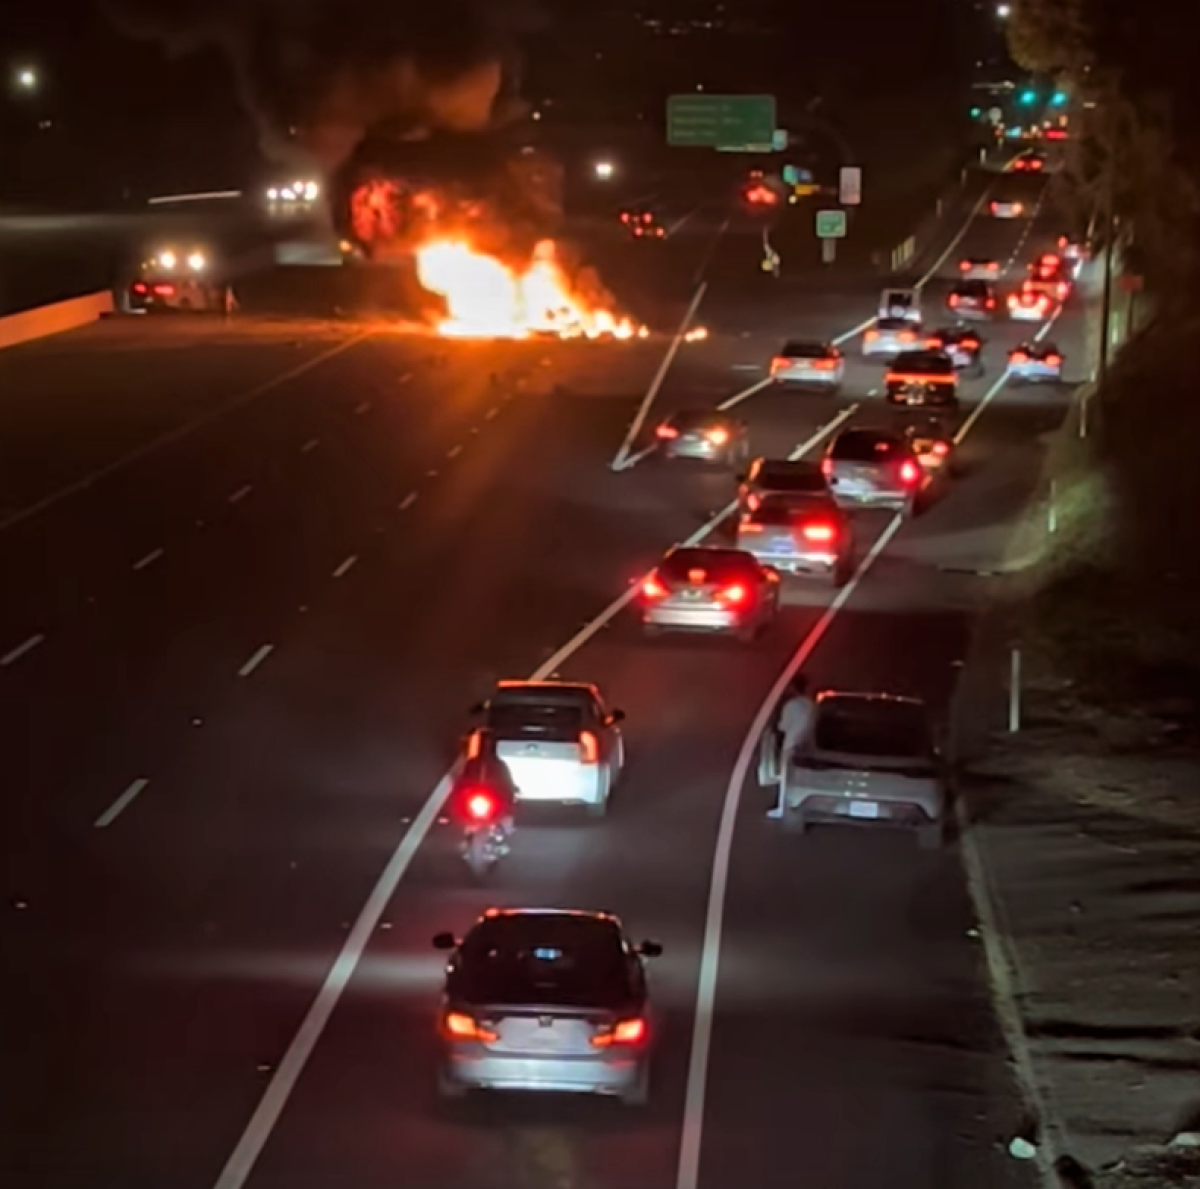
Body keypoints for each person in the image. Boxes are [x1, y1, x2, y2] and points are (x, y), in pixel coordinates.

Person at [449, 727, 517, 834]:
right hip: (481, 787)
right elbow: (508, 790)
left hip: (480, 789)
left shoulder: (495, 814)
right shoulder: (499, 765)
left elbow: (456, 798)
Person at [767, 674, 816, 818]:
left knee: (786, 778)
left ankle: (782, 808)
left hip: (791, 744)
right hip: (807, 746)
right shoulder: (811, 705)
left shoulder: (791, 705)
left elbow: (783, 726)